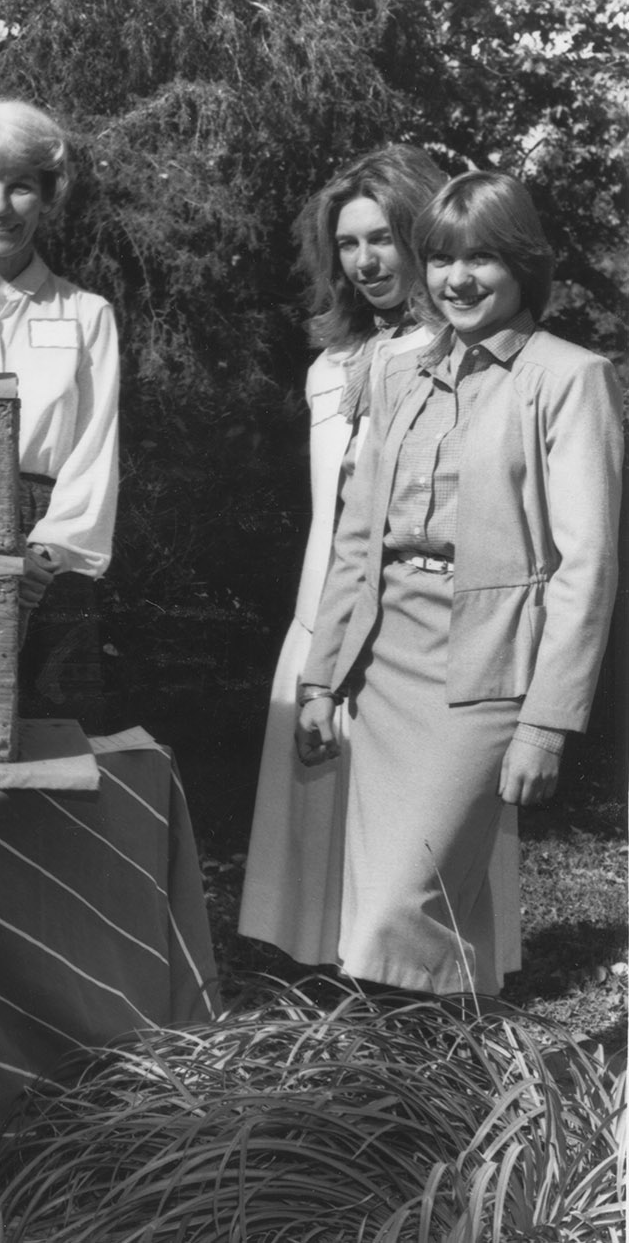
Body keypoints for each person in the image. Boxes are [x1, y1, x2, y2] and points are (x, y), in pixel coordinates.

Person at [296, 170, 623, 995]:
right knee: (432, 907)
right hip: (383, 669)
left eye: (482, 258)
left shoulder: (570, 378)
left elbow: (586, 569)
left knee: (396, 913)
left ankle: (383, 1095)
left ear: (523, 266)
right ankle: (451, 1105)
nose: (458, 279)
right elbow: (357, 538)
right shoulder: (402, 375)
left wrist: (547, 724)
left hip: (482, 675)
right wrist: (320, 677)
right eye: (441, 259)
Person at [237, 146, 489, 972]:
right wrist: (317, 642)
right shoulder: (331, 368)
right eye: (348, 244)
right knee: (320, 824)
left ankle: (420, 991)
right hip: (328, 605)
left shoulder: (466, 357)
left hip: (420, 623)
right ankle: (336, 983)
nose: (367, 260)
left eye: (383, 237)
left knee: (411, 836)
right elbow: (333, 520)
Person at [0, 99, 120, 724]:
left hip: (47, 554)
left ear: (49, 195)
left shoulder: (85, 314)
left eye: (21, 188)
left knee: (49, 735)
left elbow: (95, 447)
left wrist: (45, 560)